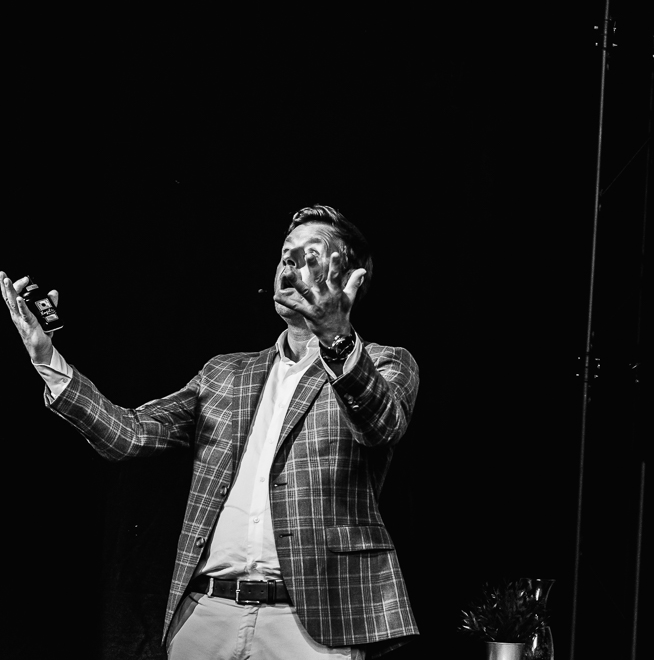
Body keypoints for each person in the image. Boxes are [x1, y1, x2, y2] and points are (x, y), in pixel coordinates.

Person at [1, 205, 420, 659]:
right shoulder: (225, 373)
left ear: (348, 277)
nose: (288, 264)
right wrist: (46, 359)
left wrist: (337, 338)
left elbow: (381, 426)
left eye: (309, 255)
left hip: (314, 626)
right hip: (207, 614)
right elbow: (130, 434)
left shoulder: (382, 362)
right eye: (285, 254)